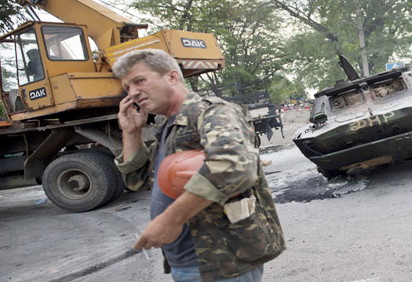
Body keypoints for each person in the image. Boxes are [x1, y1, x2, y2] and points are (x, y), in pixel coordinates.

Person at [113, 49, 285, 282]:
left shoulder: (209, 111)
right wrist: (131, 132)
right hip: (187, 262)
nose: (133, 93)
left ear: (172, 77)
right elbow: (140, 181)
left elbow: (233, 166)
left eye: (139, 81)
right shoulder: (169, 127)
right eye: (127, 88)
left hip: (222, 263)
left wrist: (170, 220)